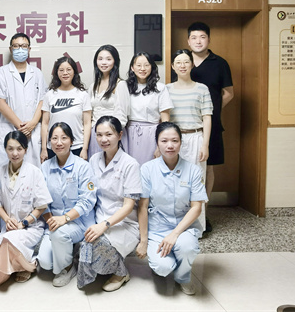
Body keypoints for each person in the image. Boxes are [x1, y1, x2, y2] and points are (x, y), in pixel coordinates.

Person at [136, 122, 208, 295]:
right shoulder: (147, 169)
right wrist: (144, 240)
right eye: (164, 141)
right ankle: (170, 262)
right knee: (162, 267)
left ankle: (183, 277)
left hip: (184, 227)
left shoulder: (193, 170)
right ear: (157, 143)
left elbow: (196, 207)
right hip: (157, 229)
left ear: (181, 143)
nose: (170, 145)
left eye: (175, 141)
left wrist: (175, 234)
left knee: (187, 248)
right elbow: (142, 206)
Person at [77, 116, 142, 292]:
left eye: (108, 134)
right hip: (99, 218)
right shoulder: (94, 160)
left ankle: (121, 273)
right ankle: (105, 265)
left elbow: (128, 206)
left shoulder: (130, 164)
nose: (103, 139)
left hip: (123, 222)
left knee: (94, 245)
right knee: (85, 244)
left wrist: (104, 225)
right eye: (99, 135)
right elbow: (90, 192)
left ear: (119, 135)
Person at [0, 131, 52, 285]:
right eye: (10, 149)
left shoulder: (34, 172)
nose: (15, 153)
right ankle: (26, 264)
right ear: (5, 149)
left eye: (19, 149)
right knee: (3, 243)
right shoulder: (0, 172)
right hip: (9, 225)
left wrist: (24, 223)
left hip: (31, 226)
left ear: (26, 150)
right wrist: (7, 220)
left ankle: (28, 266)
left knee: (6, 241)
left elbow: (42, 206)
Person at [187, 22, 234, 231]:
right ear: (188, 41)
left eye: (202, 37)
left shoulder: (220, 63)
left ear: (209, 39)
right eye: (194, 37)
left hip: (210, 124)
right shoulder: (182, 60)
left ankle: (202, 214)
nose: (198, 41)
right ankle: (185, 213)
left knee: (208, 166)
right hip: (185, 124)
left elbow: (228, 93)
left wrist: (209, 111)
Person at [38, 122, 97, 287]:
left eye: (64, 138)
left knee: (59, 235)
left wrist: (64, 219)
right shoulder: (45, 167)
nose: (59, 142)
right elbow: (42, 200)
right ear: (49, 142)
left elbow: (87, 201)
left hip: (79, 222)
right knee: (45, 263)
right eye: (54, 138)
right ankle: (69, 251)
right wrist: (51, 221)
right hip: (54, 222)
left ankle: (68, 268)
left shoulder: (83, 167)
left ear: (71, 141)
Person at [167, 49, 212, 231]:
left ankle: (196, 227)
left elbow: (207, 117)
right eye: (178, 62)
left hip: (196, 138)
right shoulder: (166, 89)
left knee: (196, 183)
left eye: (186, 62)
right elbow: (164, 118)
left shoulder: (202, 89)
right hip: (174, 140)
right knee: (174, 183)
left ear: (192, 64)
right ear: (173, 66)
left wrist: (205, 144)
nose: (182, 65)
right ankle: (175, 226)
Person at [0, 33, 47, 168]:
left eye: (24, 46)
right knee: (6, 173)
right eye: (16, 46)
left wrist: (32, 124)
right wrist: (22, 128)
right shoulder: (0, 73)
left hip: (33, 131)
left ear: (29, 49)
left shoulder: (37, 73)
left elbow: (42, 101)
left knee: (33, 172)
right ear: (11, 49)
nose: (20, 49)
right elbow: (0, 104)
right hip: (9, 128)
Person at [116, 52, 173, 165]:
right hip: (129, 134)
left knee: (151, 167)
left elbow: (165, 119)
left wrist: (161, 144)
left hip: (152, 134)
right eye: (138, 65)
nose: (142, 69)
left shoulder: (160, 88)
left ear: (152, 67)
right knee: (129, 168)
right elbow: (119, 112)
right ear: (132, 68)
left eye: (146, 65)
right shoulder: (124, 87)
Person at [40, 56, 92, 162]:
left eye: (69, 69)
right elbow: (45, 123)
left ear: (74, 72)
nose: (65, 73)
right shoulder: (49, 95)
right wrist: (44, 149)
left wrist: (85, 149)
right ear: (56, 72)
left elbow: (87, 124)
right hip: (54, 147)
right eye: (61, 70)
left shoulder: (83, 95)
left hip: (77, 146)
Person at [88, 45, 122, 157]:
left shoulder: (120, 84)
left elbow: (122, 116)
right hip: (95, 134)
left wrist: (111, 134)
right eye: (100, 59)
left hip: (111, 136)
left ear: (115, 61)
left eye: (108, 59)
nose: (104, 62)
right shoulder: (93, 86)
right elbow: (89, 114)